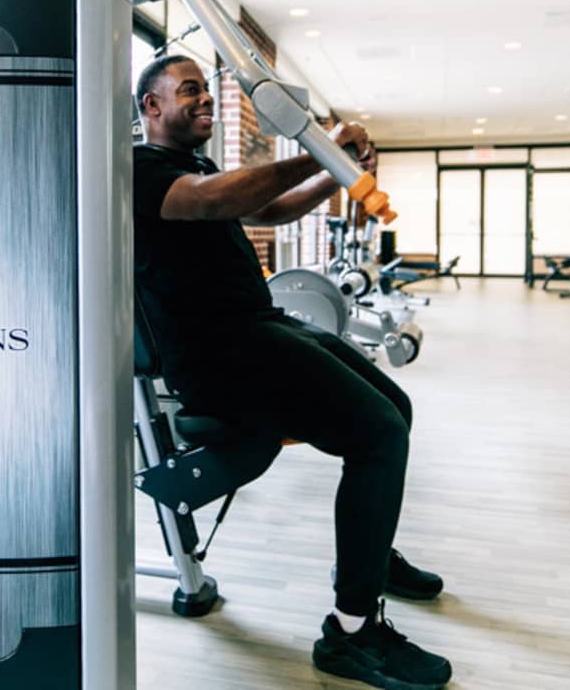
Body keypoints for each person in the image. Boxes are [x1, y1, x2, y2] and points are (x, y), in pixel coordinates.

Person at [133, 55, 452, 689]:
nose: (202, 100)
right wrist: (317, 149)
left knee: (395, 409)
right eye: (189, 90)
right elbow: (212, 201)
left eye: (205, 90)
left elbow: (269, 211)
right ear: (151, 107)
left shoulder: (194, 166)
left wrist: (340, 169)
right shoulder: (140, 169)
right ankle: (352, 633)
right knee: (378, 435)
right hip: (220, 354)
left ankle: (370, 558)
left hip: (261, 325)